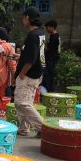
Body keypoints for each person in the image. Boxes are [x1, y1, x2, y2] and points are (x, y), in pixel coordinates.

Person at [14, 7, 46, 137]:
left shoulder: (32, 35)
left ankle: (44, 129)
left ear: (27, 18)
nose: (23, 20)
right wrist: (20, 57)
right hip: (37, 73)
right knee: (25, 101)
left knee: (22, 103)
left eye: (23, 17)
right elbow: (37, 54)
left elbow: (32, 59)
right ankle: (23, 128)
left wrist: (22, 73)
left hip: (29, 74)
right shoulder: (41, 33)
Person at [42, 20, 61, 93]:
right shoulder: (57, 36)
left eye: (47, 27)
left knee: (48, 74)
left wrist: (42, 46)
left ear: (52, 27)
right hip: (54, 57)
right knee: (50, 73)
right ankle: (49, 89)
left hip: (51, 58)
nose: (46, 29)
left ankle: (49, 90)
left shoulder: (54, 37)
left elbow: (48, 48)